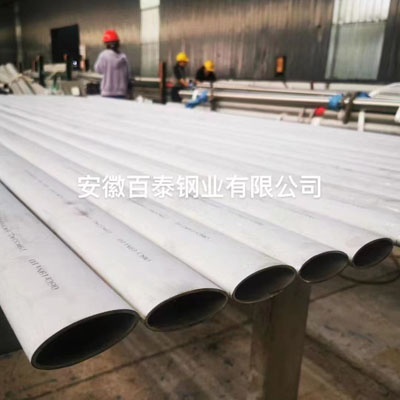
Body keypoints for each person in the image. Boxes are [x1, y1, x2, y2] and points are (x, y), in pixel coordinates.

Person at [95, 29, 130, 98]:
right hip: (121, 93)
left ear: (106, 44)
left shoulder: (104, 55)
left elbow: (98, 70)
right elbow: (127, 74)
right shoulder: (123, 57)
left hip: (107, 92)